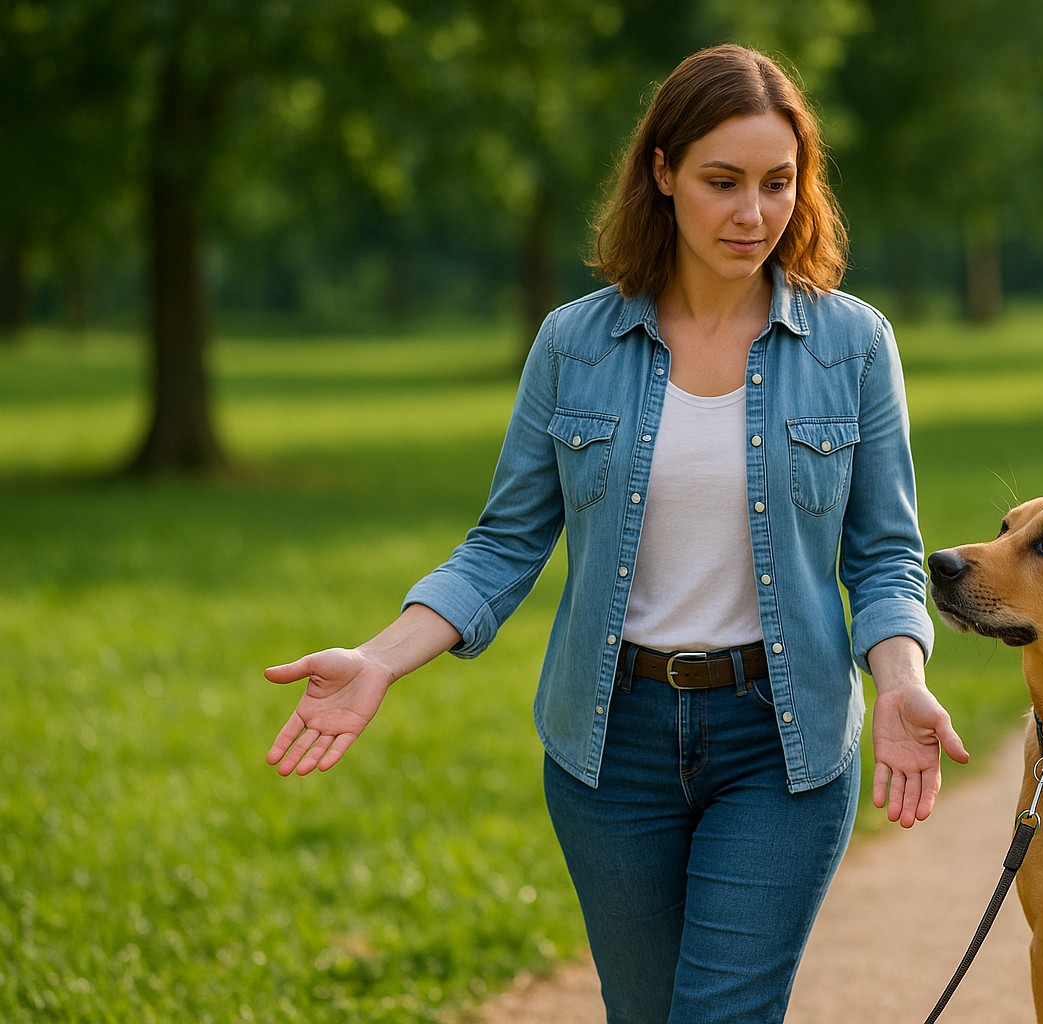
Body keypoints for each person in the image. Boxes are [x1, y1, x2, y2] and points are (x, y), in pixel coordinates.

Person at [264, 43, 968, 1024]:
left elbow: (884, 551)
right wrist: (381, 659)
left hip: (785, 739)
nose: (752, 214)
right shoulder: (574, 343)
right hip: (610, 748)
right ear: (663, 171)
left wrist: (901, 679)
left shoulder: (854, 344)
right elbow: (505, 543)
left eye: (777, 183)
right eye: (723, 182)